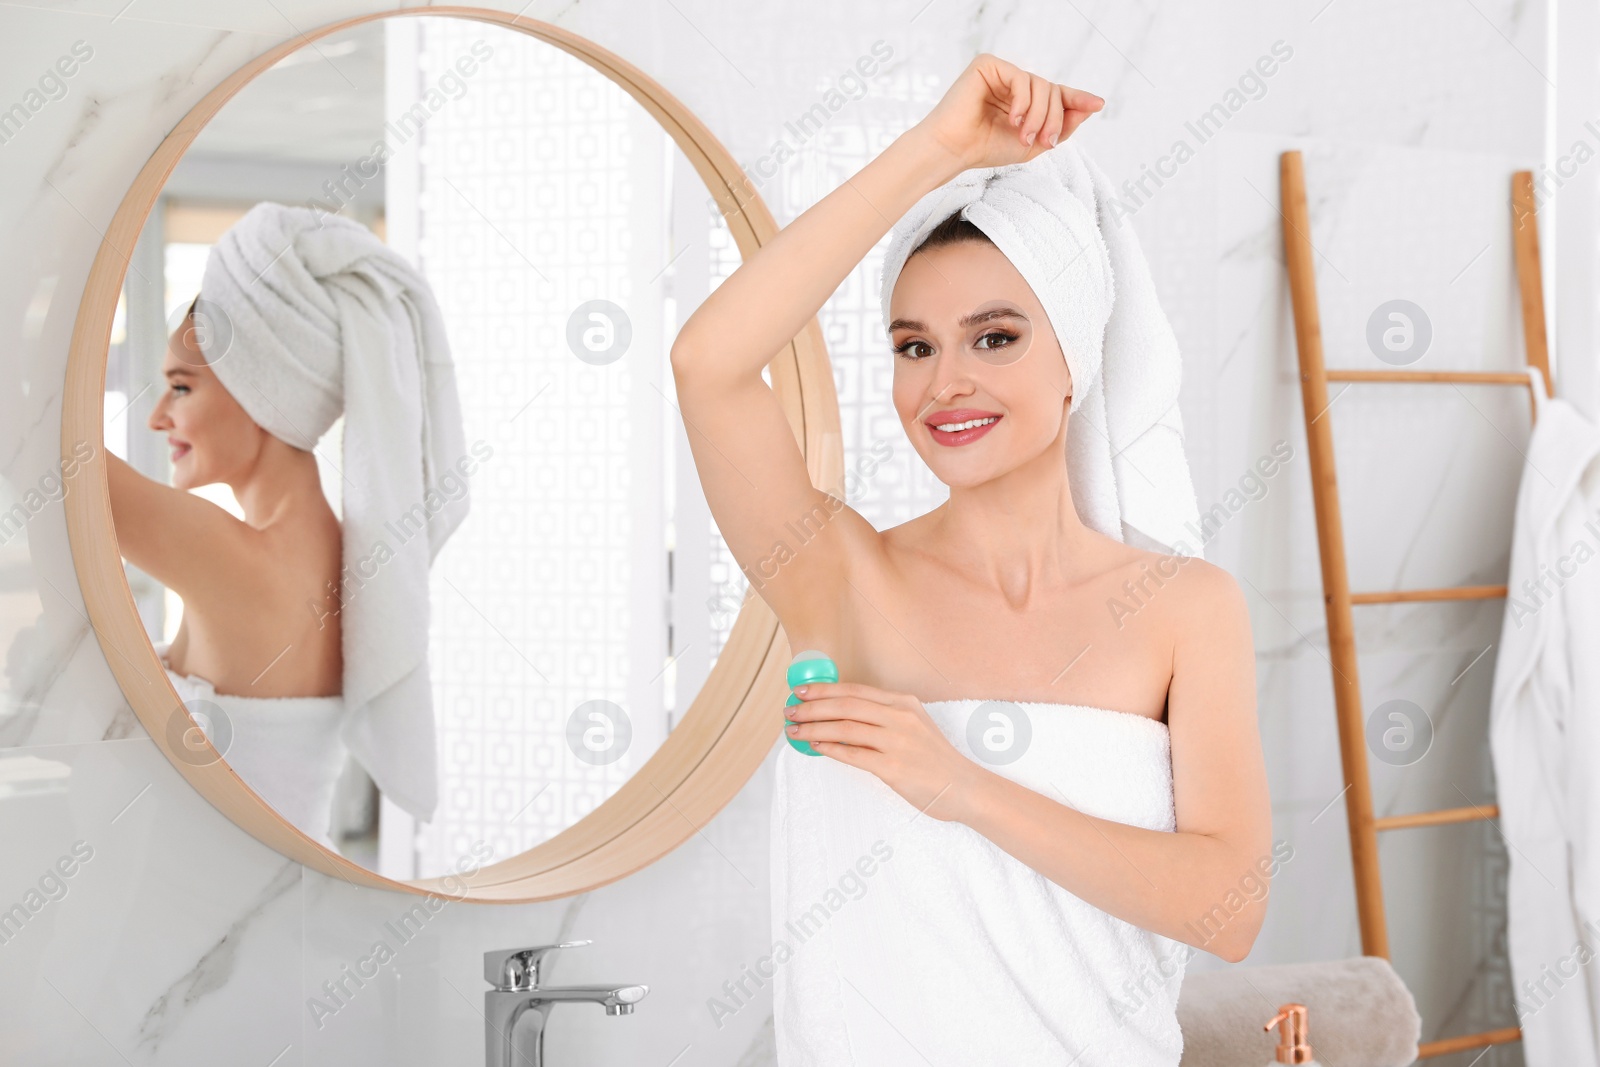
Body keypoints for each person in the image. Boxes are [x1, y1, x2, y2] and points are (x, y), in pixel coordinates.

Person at [670, 55, 1271, 1065]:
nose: (944, 382)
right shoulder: (844, 577)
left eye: (993, 338)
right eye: (913, 346)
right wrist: (936, 151)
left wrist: (960, 784)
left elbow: (1228, 908)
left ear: (1073, 354)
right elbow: (710, 363)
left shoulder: (1184, 610)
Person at [108, 201, 470, 847]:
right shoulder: (336, 557)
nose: (156, 416)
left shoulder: (234, 558)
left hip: (223, 930)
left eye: (182, 387)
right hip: (269, 920)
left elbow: (48, 460)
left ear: (260, 390)